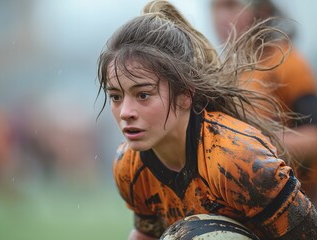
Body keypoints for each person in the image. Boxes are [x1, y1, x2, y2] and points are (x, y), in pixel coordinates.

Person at [96, 0, 317, 239]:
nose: (125, 111)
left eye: (143, 95)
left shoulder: (235, 159)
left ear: (185, 94)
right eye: (116, 96)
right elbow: (146, 233)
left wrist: (262, 156)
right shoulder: (129, 166)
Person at [211, 0, 317, 205]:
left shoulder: (286, 61)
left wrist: (252, 145)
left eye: (231, 6)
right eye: (216, 8)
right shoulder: (222, 71)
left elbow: (313, 137)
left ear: (262, 10)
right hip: (255, 200)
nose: (222, 17)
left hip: (303, 197)